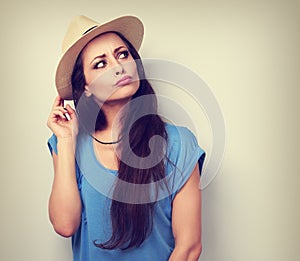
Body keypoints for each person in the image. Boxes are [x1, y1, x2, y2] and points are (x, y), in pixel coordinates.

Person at [47, 15, 206, 261]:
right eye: (100, 64)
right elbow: (65, 225)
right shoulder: (67, 144)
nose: (118, 66)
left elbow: (189, 248)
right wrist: (66, 142)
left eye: (122, 55)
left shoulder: (178, 143)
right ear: (86, 87)